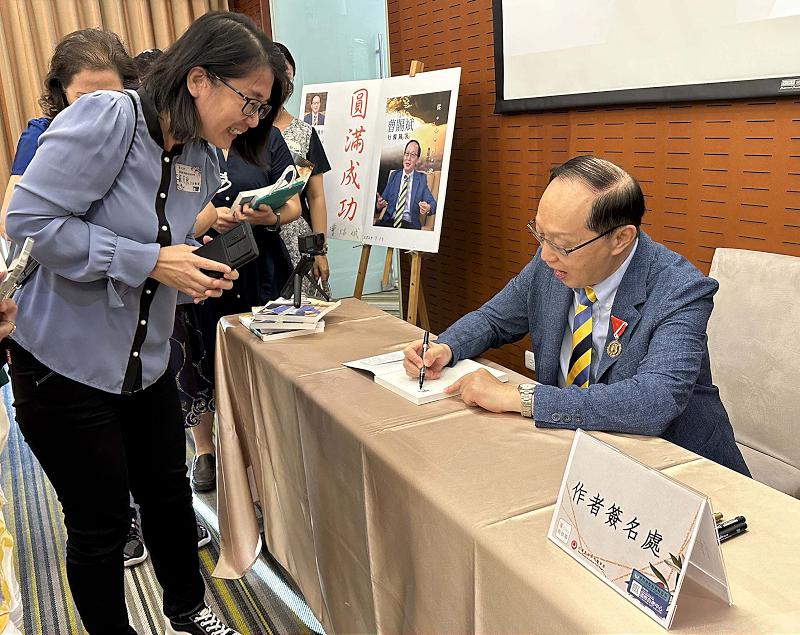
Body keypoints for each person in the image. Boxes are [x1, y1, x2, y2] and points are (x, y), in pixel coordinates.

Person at [6, 10, 286, 634]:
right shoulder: (110, 118)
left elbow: (163, 248)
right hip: (64, 364)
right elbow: (29, 223)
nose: (253, 120)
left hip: (146, 361)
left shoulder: (202, 158)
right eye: (250, 101)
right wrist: (151, 261)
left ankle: (188, 609)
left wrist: (191, 271)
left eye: (263, 108)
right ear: (198, 80)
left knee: (168, 492)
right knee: (101, 520)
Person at [403, 155, 750, 477]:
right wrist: (445, 347)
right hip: (575, 456)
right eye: (540, 235)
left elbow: (655, 399)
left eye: (561, 244)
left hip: (677, 469)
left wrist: (520, 397)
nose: (545, 255)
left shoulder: (679, 289)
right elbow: (494, 319)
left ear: (621, 238)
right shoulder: (552, 264)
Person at [0, 28, 161, 569]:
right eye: (85, 98)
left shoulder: (142, 136)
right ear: (59, 95)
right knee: (95, 497)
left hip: (126, 317)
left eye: (112, 96)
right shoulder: (44, 135)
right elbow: (16, 220)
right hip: (61, 321)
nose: (100, 110)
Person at [274, 42, 332, 296]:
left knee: (304, 307)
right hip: (257, 235)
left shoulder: (304, 133)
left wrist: (319, 250)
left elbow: (316, 196)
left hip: (298, 238)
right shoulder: (243, 132)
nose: (284, 85)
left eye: (289, 77)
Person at [375, 139, 436, 230]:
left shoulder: (421, 179)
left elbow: (433, 204)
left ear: (417, 159)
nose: (408, 158)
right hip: (389, 222)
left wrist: (428, 208)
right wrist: (379, 205)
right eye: (407, 154)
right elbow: (381, 201)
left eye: (413, 155)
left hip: (409, 225)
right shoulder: (394, 176)